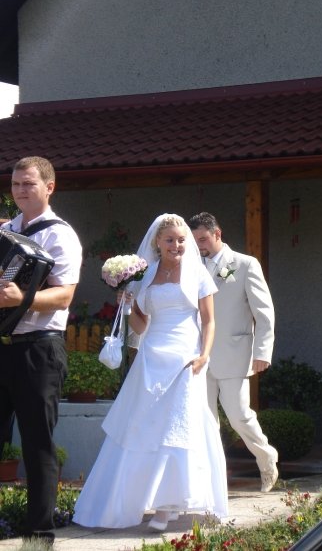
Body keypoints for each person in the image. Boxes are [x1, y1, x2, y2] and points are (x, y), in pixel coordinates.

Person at [73, 213, 228, 532]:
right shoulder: (146, 275)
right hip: (152, 354)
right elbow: (141, 325)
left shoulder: (197, 272)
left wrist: (204, 355)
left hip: (186, 357)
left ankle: (167, 505)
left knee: (177, 427)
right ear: (157, 242)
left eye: (182, 240)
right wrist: (128, 305)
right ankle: (135, 498)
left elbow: (209, 320)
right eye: (170, 240)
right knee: (145, 425)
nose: (176, 245)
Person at [0, 156, 83, 545]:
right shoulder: (7, 230)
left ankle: (38, 535)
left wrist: (23, 299)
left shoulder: (60, 235)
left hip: (39, 349)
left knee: (37, 444)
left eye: (28, 184)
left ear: (49, 187)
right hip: (3, 346)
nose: (20, 190)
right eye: (16, 183)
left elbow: (64, 295)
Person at [188, 212, 278, 493]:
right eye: (195, 240)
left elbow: (264, 312)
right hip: (198, 356)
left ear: (217, 233)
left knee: (239, 415)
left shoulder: (244, 264)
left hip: (234, 353)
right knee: (204, 420)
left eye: (203, 238)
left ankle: (266, 458)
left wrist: (263, 351)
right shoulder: (190, 266)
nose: (199, 245)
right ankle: (211, 480)